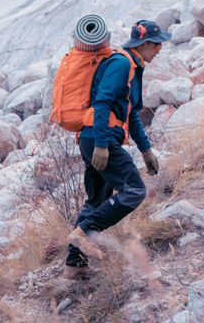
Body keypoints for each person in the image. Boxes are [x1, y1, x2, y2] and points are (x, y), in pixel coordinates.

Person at [63, 20, 172, 280]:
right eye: (157, 45)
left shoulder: (133, 66)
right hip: (100, 140)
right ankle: (83, 233)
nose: (159, 50)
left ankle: (74, 266)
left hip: (94, 139)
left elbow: (131, 114)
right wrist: (101, 145)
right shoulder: (121, 64)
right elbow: (102, 103)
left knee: (97, 200)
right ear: (144, 44)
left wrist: (146, 151)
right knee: (134, 190)